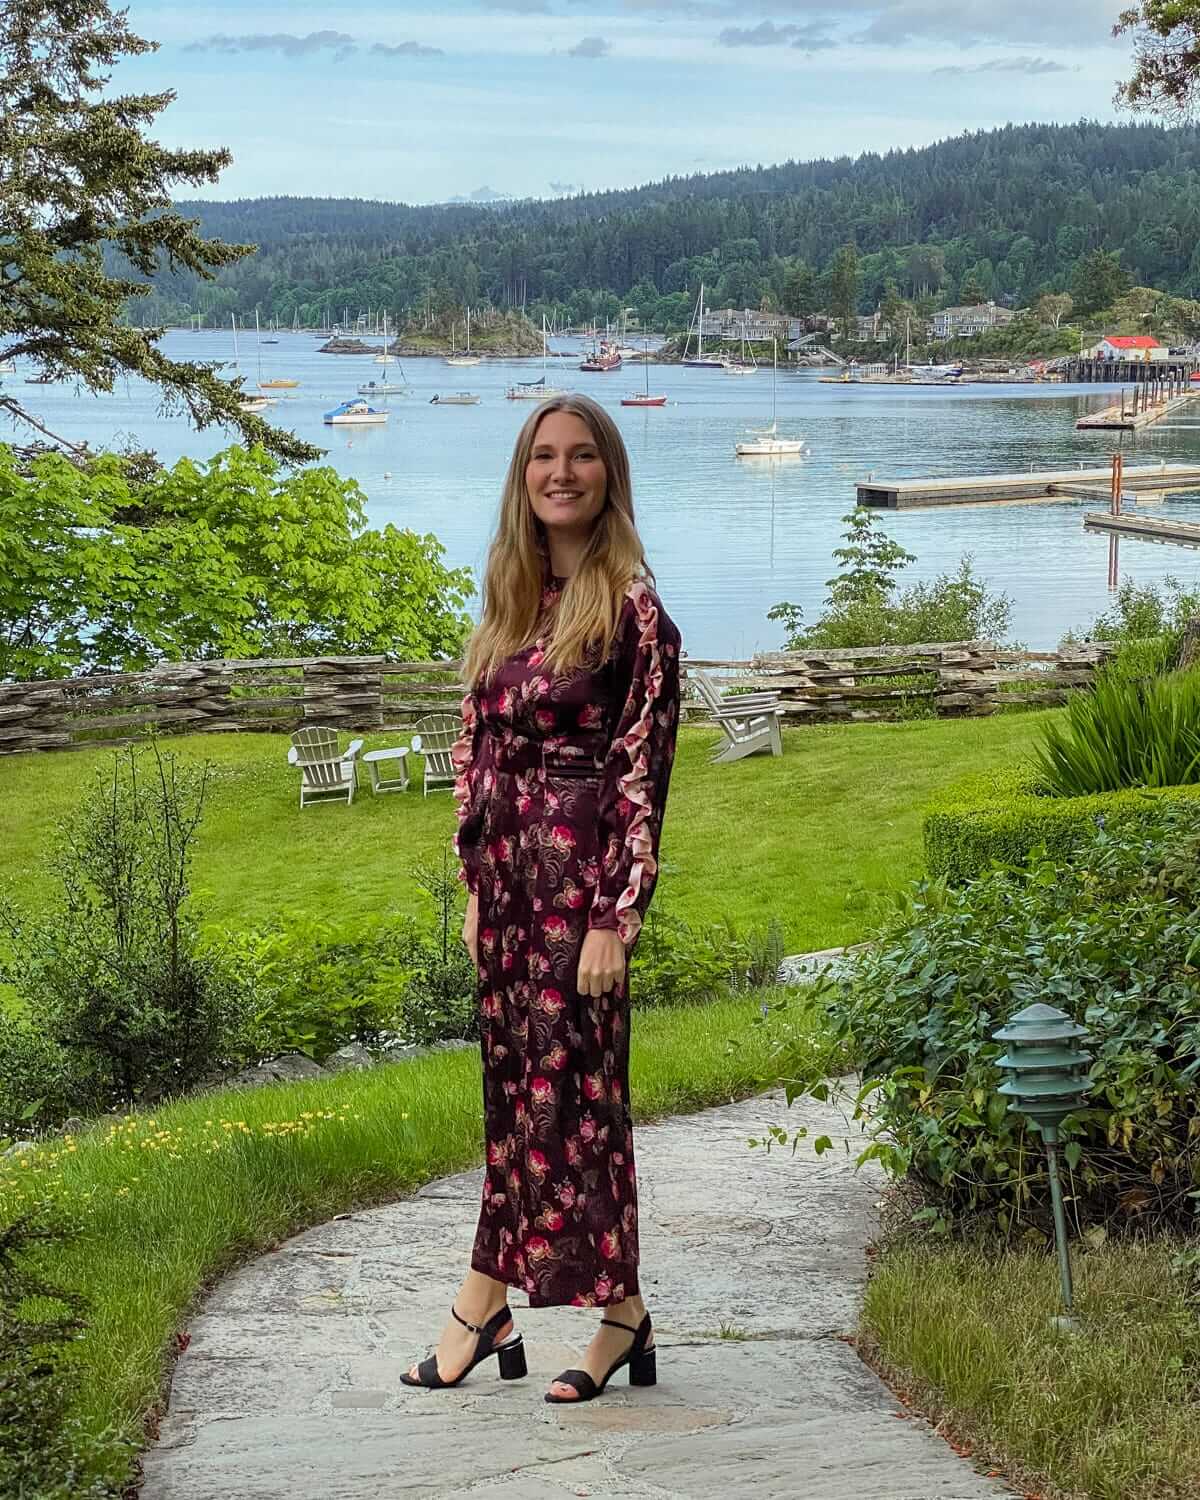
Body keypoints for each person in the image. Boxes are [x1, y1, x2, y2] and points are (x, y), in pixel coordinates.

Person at [402, 393, 681, 1404]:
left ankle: (595, 1315)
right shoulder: (511, 603)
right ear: (523, 479)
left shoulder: (634, 609)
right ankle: (514, 1309)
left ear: (609, 474)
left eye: (581, 458)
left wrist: (618, 914)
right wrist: (478, 885)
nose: (560, 474)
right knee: (515, 1110)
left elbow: (643, 772)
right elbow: (479, 756)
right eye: (542, 460)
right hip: (512, 897)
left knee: (582, 1107)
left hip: (580, 895)